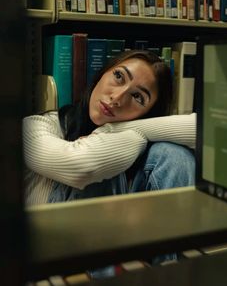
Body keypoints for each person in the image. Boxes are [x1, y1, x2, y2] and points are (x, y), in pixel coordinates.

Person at [23, 49, 196, 207]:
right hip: (50, 237)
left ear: (148, 114)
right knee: (102, 165)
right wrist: (131, 132)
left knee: (175, 155)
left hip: (118, 233)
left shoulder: (137, 145)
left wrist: (119, 130)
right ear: (102, 73)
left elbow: (204, 130)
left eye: (137, 96)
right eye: (119, 76)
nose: (117, 98)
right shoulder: (36, 126)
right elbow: (80, 166)